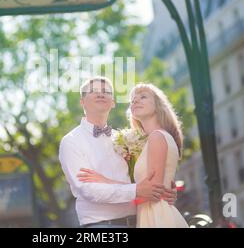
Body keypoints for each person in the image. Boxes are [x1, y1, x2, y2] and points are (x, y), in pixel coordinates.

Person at [59, 77, 177, 228]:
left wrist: (165, 189)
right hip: (101, 224)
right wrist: (136, 190)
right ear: (82, 102)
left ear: (113, 102)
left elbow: (146, 178)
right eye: (93, 91)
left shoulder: (126, 139)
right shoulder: (71, 141)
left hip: (140, 220)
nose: (100, 94)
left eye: (106, 91)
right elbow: (88, 189)